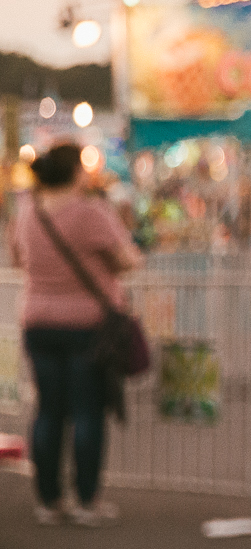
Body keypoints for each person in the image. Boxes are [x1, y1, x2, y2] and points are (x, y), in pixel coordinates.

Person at [9, 141, 142, 527]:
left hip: (37, 322)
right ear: (75, 172)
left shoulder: (27, 212)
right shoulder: (91, 213)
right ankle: (87, 501)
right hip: (87, 327)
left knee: (48, 410)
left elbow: (18, 259)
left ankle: (48, 501)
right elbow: (126, 259)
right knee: (87, 412)